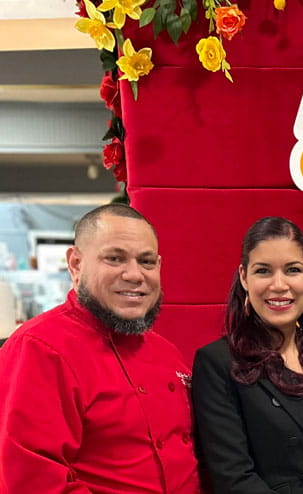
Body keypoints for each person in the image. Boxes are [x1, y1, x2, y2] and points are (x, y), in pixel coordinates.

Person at [0, 203, 200, 493]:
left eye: (146, 262)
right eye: (115, 258)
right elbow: (32, 481)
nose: (134, 275)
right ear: (76, 264)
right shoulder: (38, 349)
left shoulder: (168, 353)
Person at [192, 216, 303, 494]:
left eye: (292, 270)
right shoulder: (217, 363)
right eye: (263, 271)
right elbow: (234, 478)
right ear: (244, 277)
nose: (279, 285)